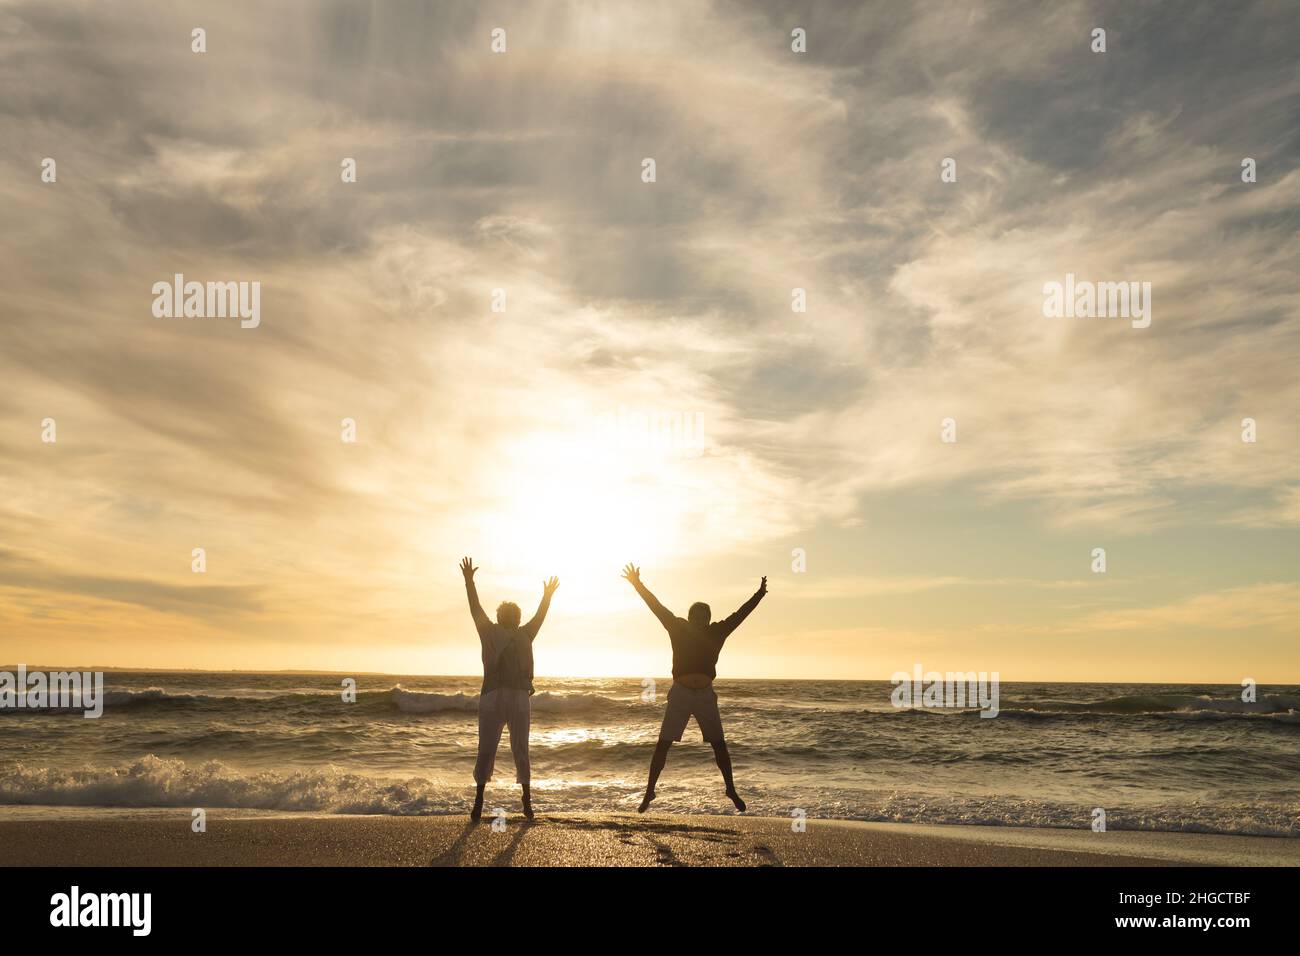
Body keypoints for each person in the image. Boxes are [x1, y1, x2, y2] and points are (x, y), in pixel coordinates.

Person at [621, 563, 767, 813]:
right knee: (663, 744)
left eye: (704, 617)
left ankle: (730, 789)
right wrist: (637, 584)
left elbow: (740, 614)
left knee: (719, 744)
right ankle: (649, 792)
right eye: (696, 616)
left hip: (705, 696)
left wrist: (759, 594)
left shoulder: (718, 631)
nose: (700, 620)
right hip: (680, 694)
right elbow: (656, 607)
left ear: (708, 619)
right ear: (689, 618)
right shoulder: (677, 627)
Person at [460, 556, 558, 821]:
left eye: (511, 615)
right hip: (507, 697)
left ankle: (503, 802)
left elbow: (475, 609)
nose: (511, 618)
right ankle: (506, 802)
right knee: (505, 749)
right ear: (509, 617)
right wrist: (469, 581)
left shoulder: (506, 632)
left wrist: (469, 580)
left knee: (502, 750)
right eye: (510, 615)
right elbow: (476, 608)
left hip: (502, 696)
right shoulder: (509, 633)